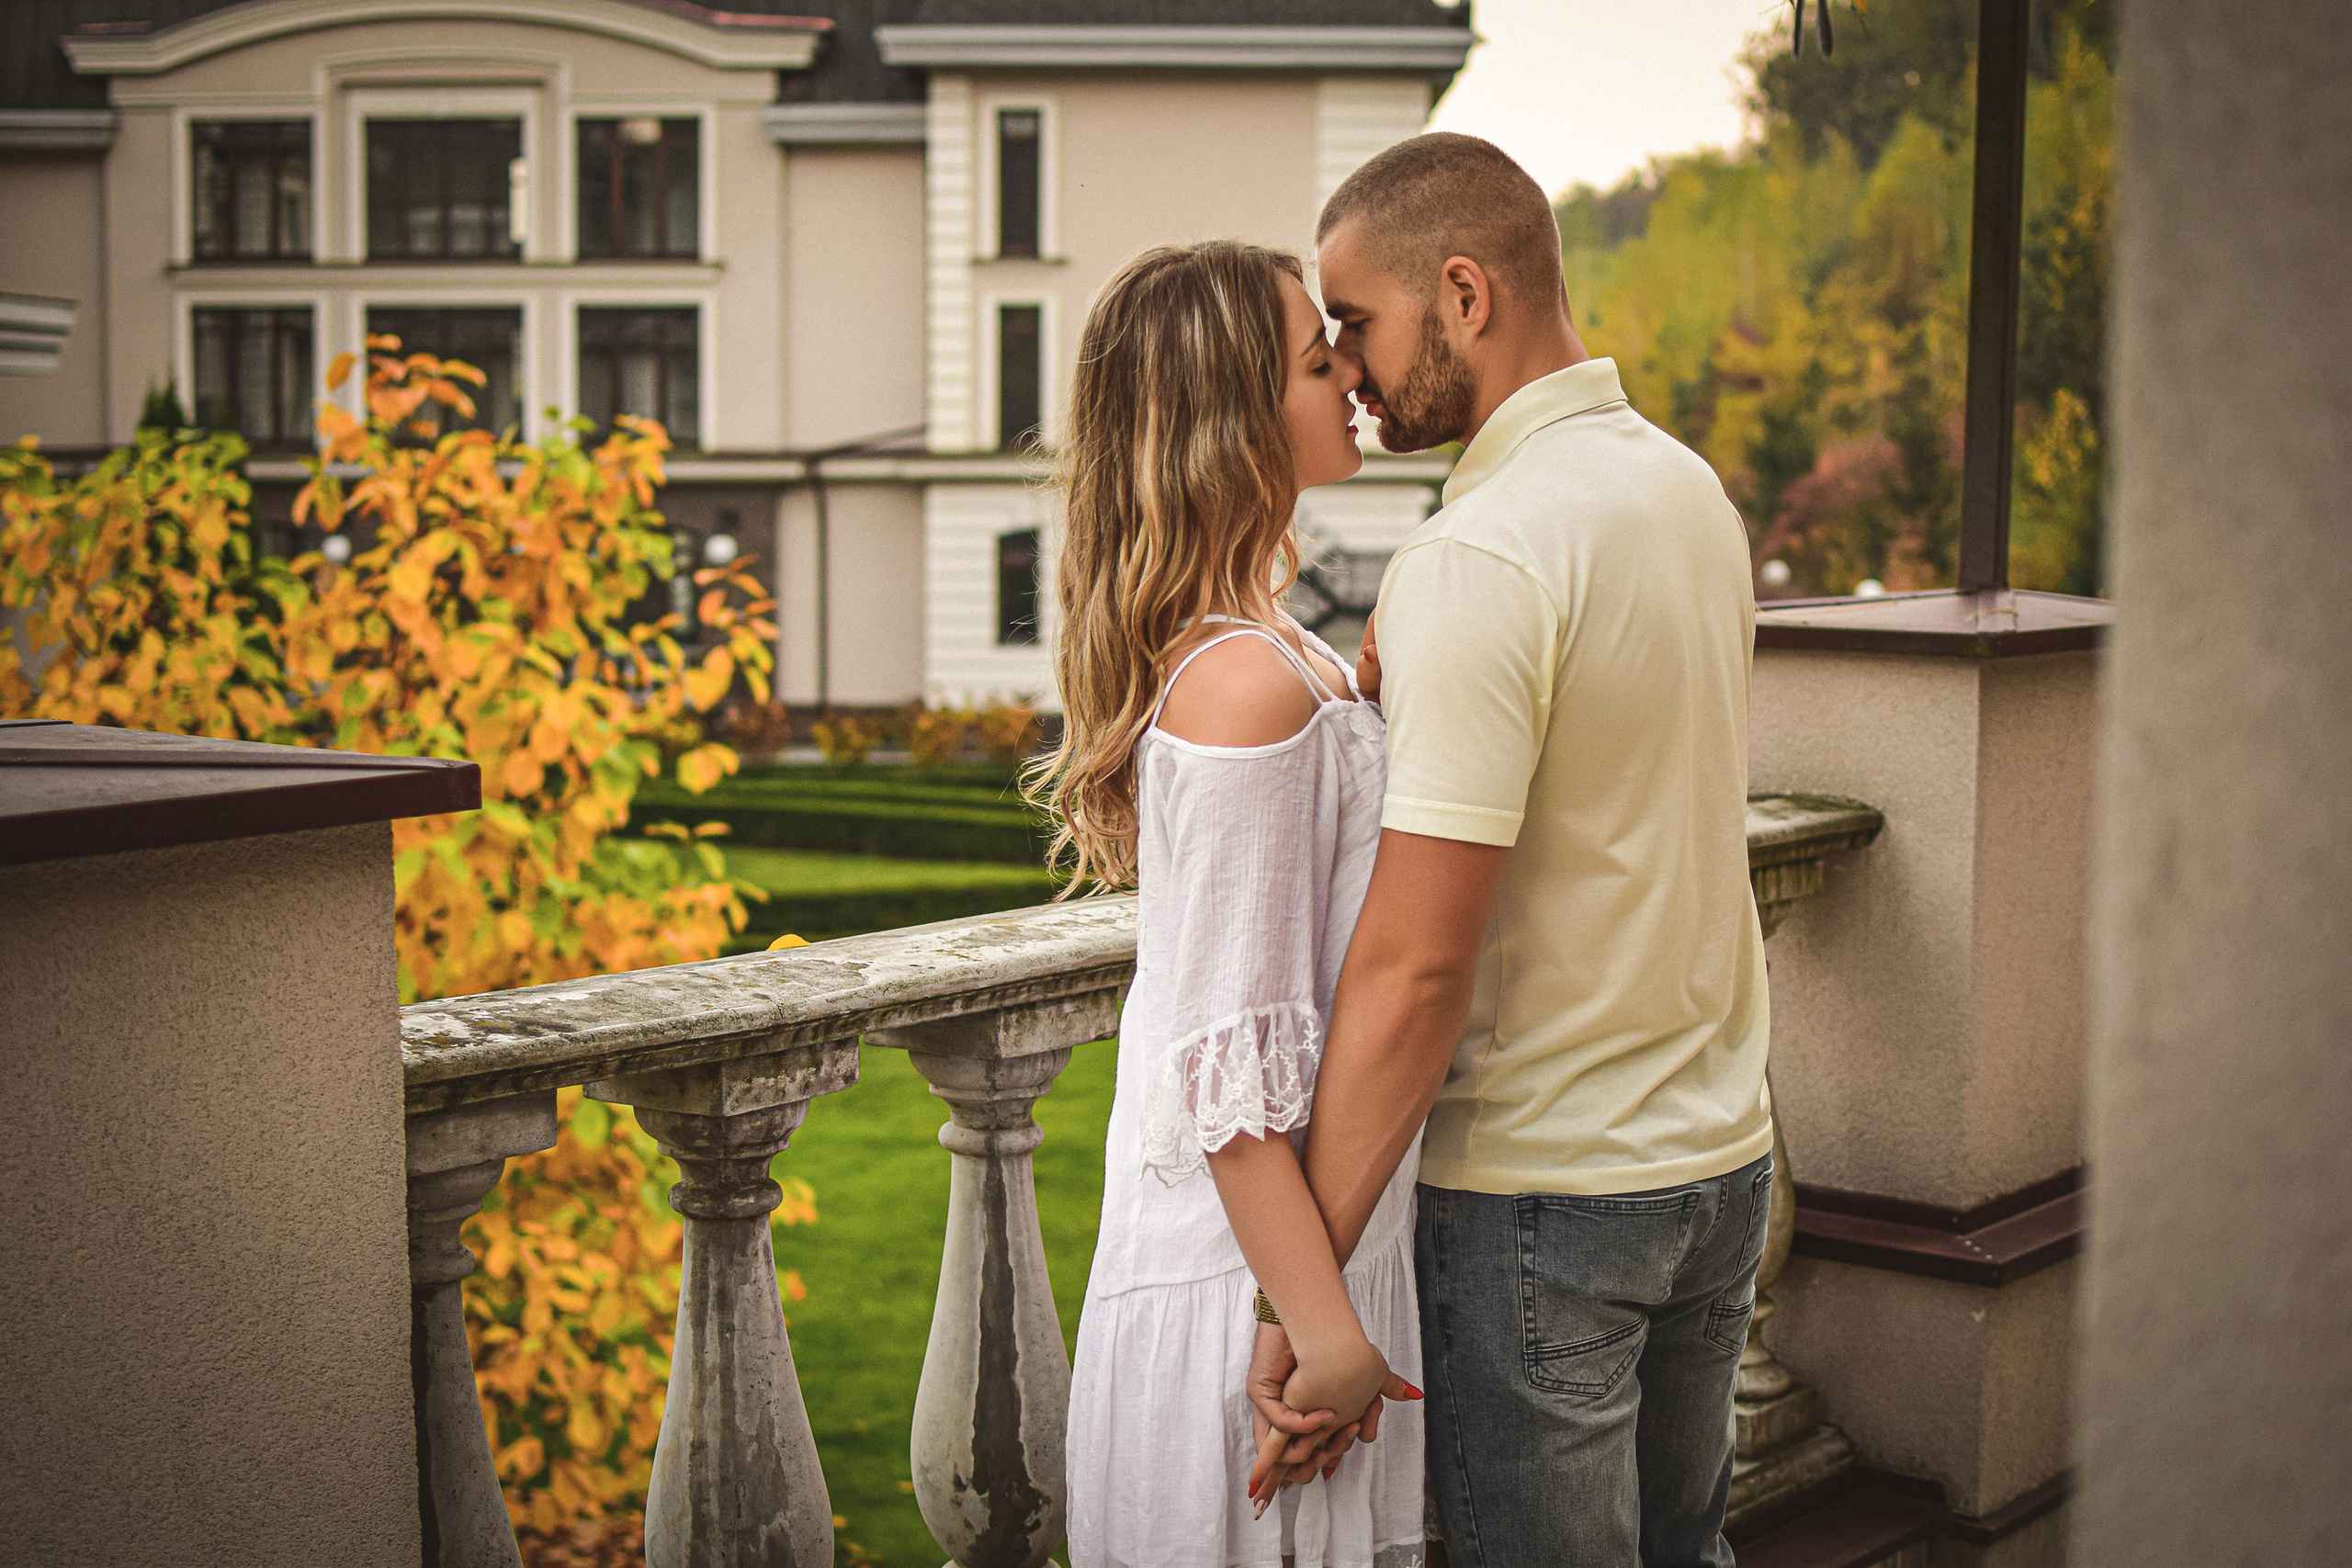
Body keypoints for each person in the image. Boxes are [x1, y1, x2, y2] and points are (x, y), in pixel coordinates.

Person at [1248, 133, 1775, 1568]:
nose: (1346, 367)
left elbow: (1419, 971)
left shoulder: (1483, 557)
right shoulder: (1681, 490)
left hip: (1550, 1201)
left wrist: (1298, 1297)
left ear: (1463, 294)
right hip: (1719, 1164)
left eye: (1356, 322)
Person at [1038, 239, 1430, 1568]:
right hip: (1249, 1296)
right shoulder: (1246, 684)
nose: (1353, 385)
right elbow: (1225, 1066)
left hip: (1302, 1260)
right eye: (1320, 365)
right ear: (1233, 423)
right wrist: (1322, 1336)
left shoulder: (1281, 654)